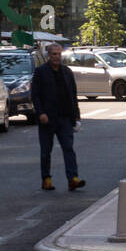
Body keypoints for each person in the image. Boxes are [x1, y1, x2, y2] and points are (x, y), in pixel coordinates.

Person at [30, 43, 85, 192]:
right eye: (54, 54)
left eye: (59, 54)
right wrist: (40, 113)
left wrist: (77, 117)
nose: (57, 57)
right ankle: (46, 179)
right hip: (47, 119)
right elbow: (35, 95)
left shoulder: (67, 72)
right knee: (46, 151)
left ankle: (73, 179)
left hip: (65, 118)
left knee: (68, 148)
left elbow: (73, 95)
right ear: (48, 55)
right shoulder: (41, 72)